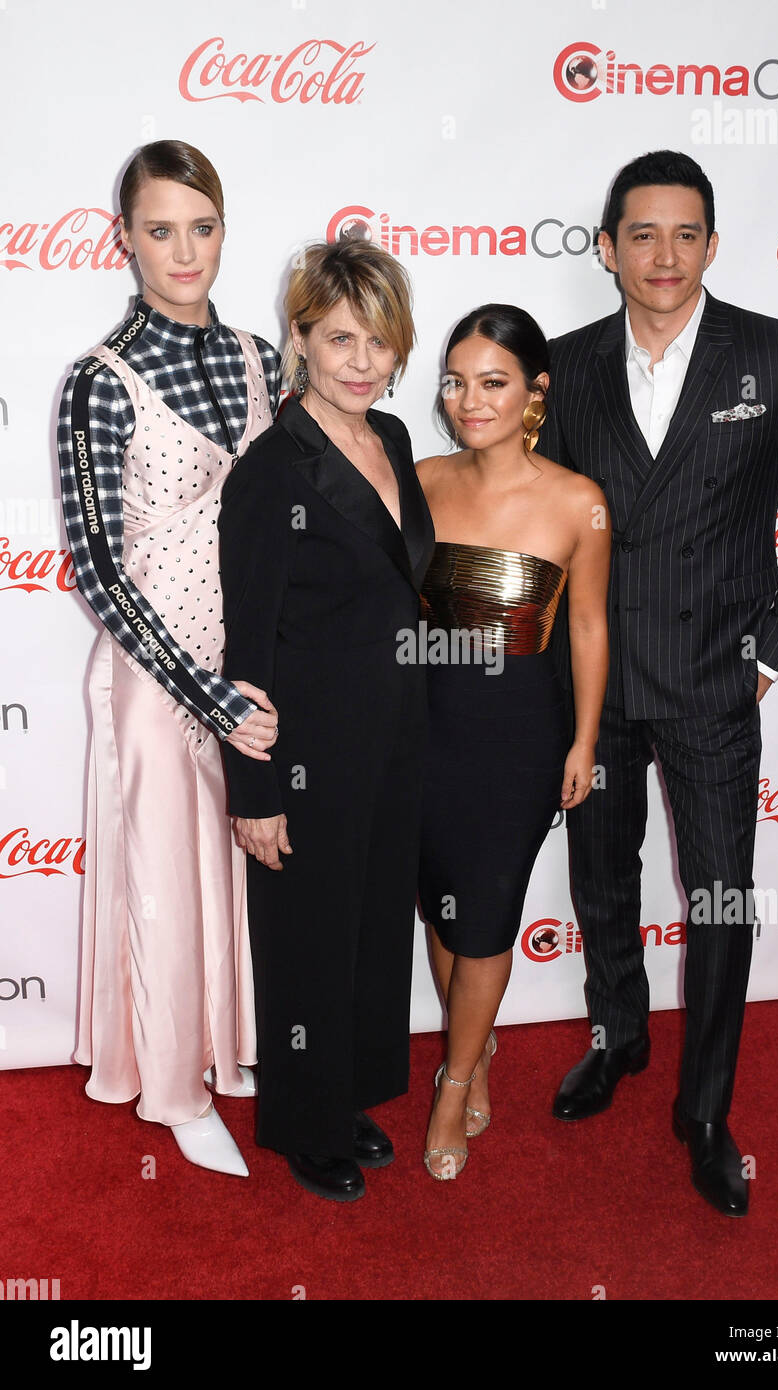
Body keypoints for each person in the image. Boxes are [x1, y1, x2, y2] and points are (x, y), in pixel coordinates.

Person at [541, 150, 778, 1216]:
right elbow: (535, 518)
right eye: (642, 234)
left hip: (715, 684)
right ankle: (616, 1037)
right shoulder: (568, 365)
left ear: (713, 246)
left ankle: (708, 1109)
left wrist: (770, 654)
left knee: (720, 901)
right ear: (608, 247)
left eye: (685, 234)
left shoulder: (776, 352)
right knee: (599, 882)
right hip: (592, 686)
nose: (663, 255)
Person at [57, 140, 282, 1176]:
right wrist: (206, 695)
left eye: (203, 225)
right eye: (160, 228)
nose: (184, 249)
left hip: (254, 671)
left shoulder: (260, 358)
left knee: (245, 873)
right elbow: (97, 570)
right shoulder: (95, 383)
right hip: (158, 681)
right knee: (166, 881)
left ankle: (235, 1054)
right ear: (125, 239)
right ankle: (177, 1090)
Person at [217, 239, 434, 1203]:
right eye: (340, 338)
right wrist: (255, 790)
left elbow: (405, 587)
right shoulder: (271, 470)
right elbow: (247, 650)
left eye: (379, 341)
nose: (362, 360)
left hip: (396, 739)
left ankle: (347, 1094)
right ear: (298, 338)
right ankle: (306, 1126)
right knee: (309, 939)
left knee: (373, 930)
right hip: (307, 752)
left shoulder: (388, 439)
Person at [416, 305, 609, 1180]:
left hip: (521, 736)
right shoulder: (416, 479)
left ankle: (454, 1083)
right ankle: (478, 1045)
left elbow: (589, 632)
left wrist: (583, 742)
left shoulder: (577, 500)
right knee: (444, 906)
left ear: (534, 391)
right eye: (457, 381)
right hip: (422, 727)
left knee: (488, 915)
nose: (469, 400)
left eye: (492, 382)